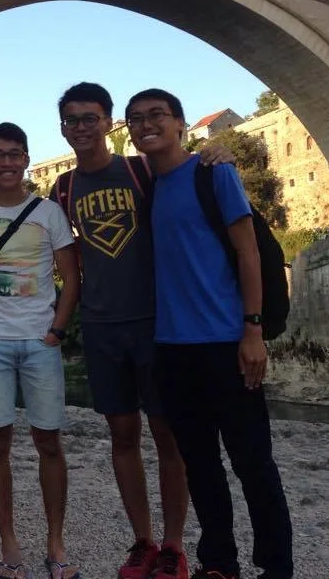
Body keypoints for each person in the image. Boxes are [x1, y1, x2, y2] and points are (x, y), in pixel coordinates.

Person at [124, 89, 294, 579]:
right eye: (136, 119)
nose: (146, 124)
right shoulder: (148, 186)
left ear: (180, 123)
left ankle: (277, 568)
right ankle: (220, 563)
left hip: (226, 343)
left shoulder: (213, 172)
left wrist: (252, 331)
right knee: (199, 464)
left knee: (253, 463)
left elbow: (248, 253)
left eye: (157, 115)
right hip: (173, 349)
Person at [53, 83, 195, 579]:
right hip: (100, 326)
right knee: (122, 436)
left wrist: (214, 154)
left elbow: (187, 182)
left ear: (109, 122)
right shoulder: (62, 189)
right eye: (72, 120)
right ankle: (142, 541)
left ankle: (174, 545)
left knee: (168, 436)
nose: (81, 128)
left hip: (155, 323)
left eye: (90, 118)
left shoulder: (141, 170)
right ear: (63, 128)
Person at [0, 123, 81, 579]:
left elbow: (71, 277)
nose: (6, 162)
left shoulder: (49, 213)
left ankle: (55, 542)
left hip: (40, 342)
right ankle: (9, 545)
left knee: (49, 443)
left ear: (26, 159)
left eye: (14, 154)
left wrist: (57, 331)